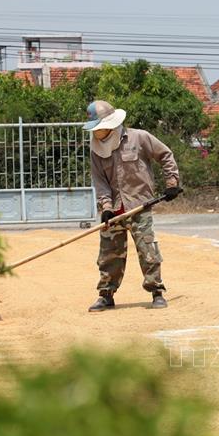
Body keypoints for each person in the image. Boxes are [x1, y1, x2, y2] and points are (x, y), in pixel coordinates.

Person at [83, 100, 182, 312]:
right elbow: (99, 181)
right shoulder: (95, 150)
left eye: (98, 128)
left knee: (148, 250)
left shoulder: (139, 137)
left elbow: (165, 155)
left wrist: (172, 182)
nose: (96, 133)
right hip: (114, 209)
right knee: (109, 253)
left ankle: (156, 292)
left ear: (110, 125)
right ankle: (106, 295)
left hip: (140, 204)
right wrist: (106, 206)